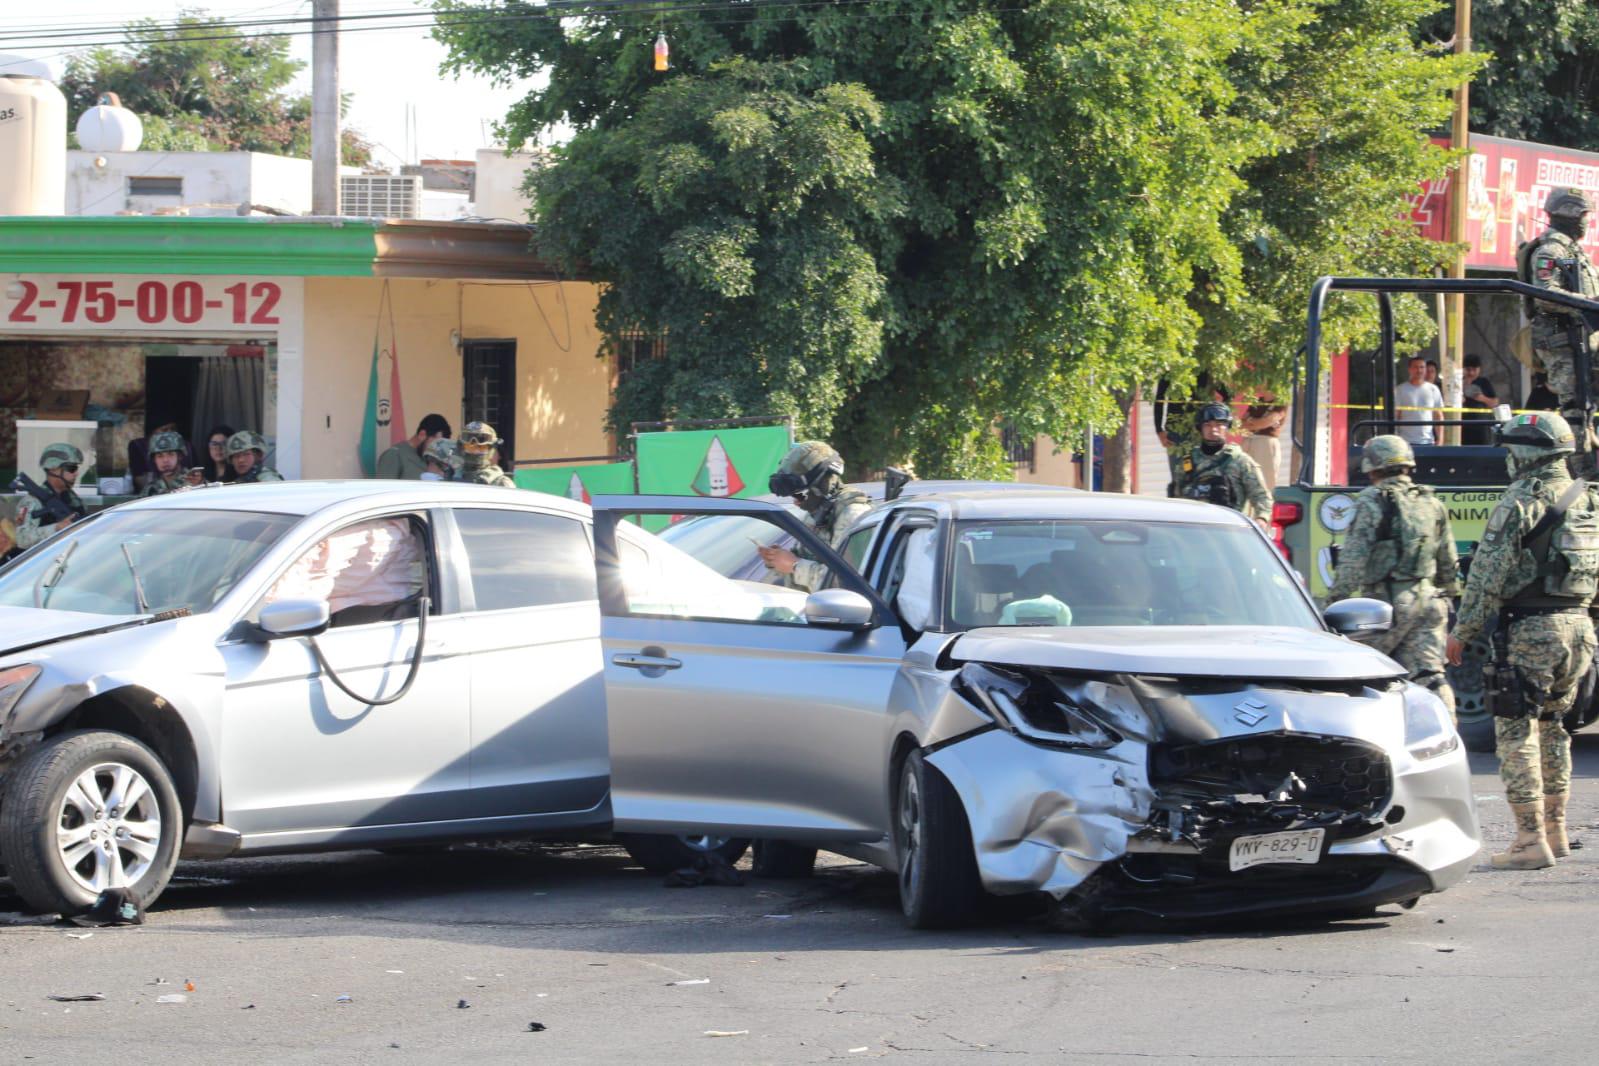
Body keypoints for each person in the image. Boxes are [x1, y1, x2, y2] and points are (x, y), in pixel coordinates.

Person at [1446, 411, 1598, 869]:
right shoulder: (1587, 501)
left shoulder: (1519, 501)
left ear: (1527, 453)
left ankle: (1529, 842)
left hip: (1531, 630)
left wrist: (1463, 632)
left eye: (1512, 449)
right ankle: (1557, 829)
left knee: (1516, 732)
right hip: (1579, 630)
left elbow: (1486, 578)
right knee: (1555, 729)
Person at [1328, 435, 1459, 709]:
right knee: (1430, 677)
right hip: (1429, 603)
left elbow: (1353, 561)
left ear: (1372, 468)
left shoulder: (1371, 502)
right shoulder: (1432, 502)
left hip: (1385, 607)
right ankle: (1446, 733)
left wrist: (1333, 606)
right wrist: (1451, 597)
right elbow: (1448, 562)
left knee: (1365, 678)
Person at [1516, 187, 1599, 470]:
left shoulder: (1569, 251)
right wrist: (1588, 303)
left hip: (1580, 338)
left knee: (1586, 405)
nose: (1588, 222)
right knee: (1575, 407)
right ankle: (1581, 472)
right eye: (1585, 215)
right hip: (1562, 339)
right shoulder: (1551, 250)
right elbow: (1545, 293)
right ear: (1571, 215)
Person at [756, 440, 873, 592]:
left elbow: (847, 584)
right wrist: (777, 560)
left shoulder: (853, 516)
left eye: (801, 494)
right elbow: (805, 562)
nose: (796, 502)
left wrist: (795, 566)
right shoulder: (816, 516)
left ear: (821, 484)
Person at [1168, 403, 1272, 528]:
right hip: (1193, 530)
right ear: (1200, 428)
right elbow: (1176, 499)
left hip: (1229, 530)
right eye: (1208, 425)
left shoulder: (1240, 461)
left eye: (1219, 425)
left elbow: (1261, 497)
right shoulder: (1188, 462)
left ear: (1227, 427)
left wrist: (1261, 520)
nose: (1213, 429)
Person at [14, 443, 89, 552]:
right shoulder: (32, 502)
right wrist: (56, 528)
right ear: (53, 468)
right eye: (71, 468)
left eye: (76, 468)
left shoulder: (75, 500)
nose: (76, 473)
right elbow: (22, 539)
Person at [376, 413, 452, 480]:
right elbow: (383, 490)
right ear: (422, 435)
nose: (438, 449)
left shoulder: (432, 459)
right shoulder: (395, 455)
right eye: (436, 443)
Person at [1395, 355, 1444, 446]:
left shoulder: (1433, 389)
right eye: (1416, 367)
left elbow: (1438, 416)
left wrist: (1440, 439)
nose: (1419, 370)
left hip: (1428, 441)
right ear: (1409, 369)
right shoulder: (1400, 390)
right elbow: (1396, 415)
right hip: (1405, 442)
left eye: (1422, 367)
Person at [1240, 403, 1287, 493]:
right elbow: (1242, 423)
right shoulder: (1256, 401)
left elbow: (1265, 423)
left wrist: (1251, 420)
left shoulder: (1280, 403)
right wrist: (1257, 422)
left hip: (1266, 444)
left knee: (1265, 481)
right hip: (1249, 440)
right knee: (1243, 477)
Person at [140, 431, 201, 497]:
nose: (165, 460)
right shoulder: (151, 489)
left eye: (170, 454)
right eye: (159, 456)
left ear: (180, 456)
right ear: (154, 460)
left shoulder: (196, 482)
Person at [458, 422, 516, 487]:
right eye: (470, 447)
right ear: (461, 448)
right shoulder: (452, 475)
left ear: (491, 450)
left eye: (481, 447)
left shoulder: (501, 483)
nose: (475, 451)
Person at [1460, 355, 1498, 445]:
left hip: (1481, 426)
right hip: (1463, 426)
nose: (1471, 373)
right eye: (1468, 369)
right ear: (1464, 369)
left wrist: (1481, 398)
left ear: (1479, 369)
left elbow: (1495, 403)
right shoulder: (1458, 382)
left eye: (1474, 369)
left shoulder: (1484, 382)